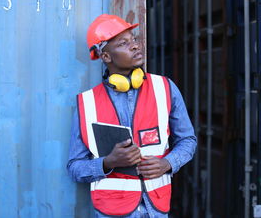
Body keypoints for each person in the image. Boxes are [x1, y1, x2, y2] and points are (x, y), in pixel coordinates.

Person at [67, 14, 197, 217]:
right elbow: (75, 167)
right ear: (106, 57)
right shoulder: (87, 102)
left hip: (157, 209)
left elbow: (188, 140)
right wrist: (108, 162)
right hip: (113, 211)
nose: (135, 46)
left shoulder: (165, 88)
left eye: (134, 39)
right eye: (123, 43)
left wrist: (168, 163)